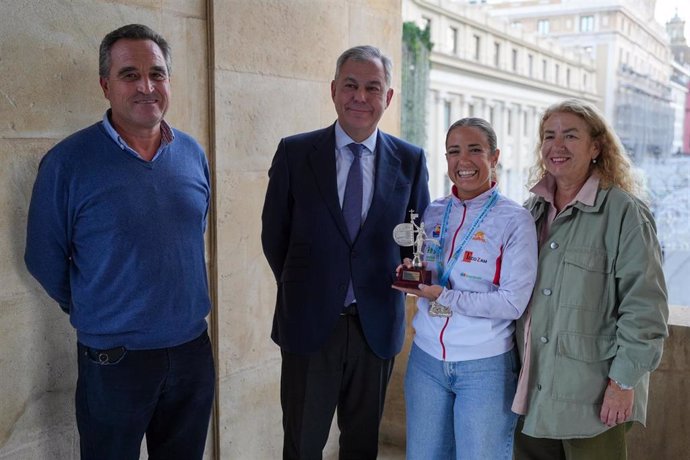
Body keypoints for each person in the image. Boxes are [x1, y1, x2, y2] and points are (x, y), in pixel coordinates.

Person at [24, 24, 214, 460]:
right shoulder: (68, 163)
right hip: (113, 360)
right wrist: (98, 304)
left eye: (157, 74)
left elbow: (188, 234)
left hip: (191, 352)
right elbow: (43, 256)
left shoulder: (192, 154)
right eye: (130, 75)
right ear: (105, 85)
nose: (147, 86)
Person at [261, 45, 430, 459]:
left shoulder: (410, 160)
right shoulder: (295, 153)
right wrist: (313, 286)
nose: (360, 97)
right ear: (334, 90)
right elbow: (274, 236)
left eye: (373, 88)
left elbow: (419, 238)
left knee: (361, 446)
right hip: (308, 324)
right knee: (302, 444)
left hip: (376, 328)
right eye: (351, 86)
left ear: (387, 98)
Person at [512, 99, 669, 460]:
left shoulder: (625, 214)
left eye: (571, 135)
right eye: (549, 136)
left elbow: (645, 309)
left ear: (596, 147)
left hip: (593, 398)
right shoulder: (530, 212)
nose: (557, 145)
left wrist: (622, 383)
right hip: (530, 388)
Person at [393, 118, 538, 459]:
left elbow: (512, 303)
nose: (464, 161)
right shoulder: (433, 211)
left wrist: (443, 296)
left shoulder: (515, 219)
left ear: (495, 156)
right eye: (454, 151)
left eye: (475, 150)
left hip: (484, 366)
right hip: (426, 361)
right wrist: (414, 276)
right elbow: (429, 267)